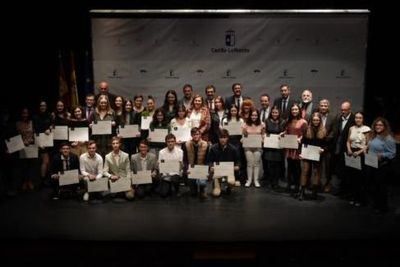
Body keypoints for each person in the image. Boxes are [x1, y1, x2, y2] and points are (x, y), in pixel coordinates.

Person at [366, 117, 396, 214]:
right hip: (372, 164)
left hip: (382, 167)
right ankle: (376, 204)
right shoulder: (374, 135)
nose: (378, 127)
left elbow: (392, 153)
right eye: (376, 125)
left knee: (381, 187)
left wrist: (382, 155)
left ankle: (382, 207)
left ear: (384, 126)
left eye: (380, 125)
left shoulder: (388, 138)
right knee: (373, 186)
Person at [298, 112, 327, 200]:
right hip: (307, 154)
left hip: (317, 155)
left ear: (320, 120)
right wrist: (301, 153)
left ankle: (314, 192)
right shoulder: (307, 129)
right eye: (314, 120)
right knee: (305, 172)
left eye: (317, 120)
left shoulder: (324, 130)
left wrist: (323, 150)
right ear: (311, 120)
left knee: (316, 173)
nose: (316, 121)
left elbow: (326, 144)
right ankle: (302, 192)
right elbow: (302, 142)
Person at [345, 111, 370, 206]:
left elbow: (368, 144)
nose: (358, 119)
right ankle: (353, 197)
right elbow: (348, 141)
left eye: (360, 118)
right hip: (351, 153)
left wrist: (358, 152)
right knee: (352, 177)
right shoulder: (351, 128)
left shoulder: (367, 129)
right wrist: (349, 149)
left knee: (360, 178)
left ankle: (360, 199)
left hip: (361, 154)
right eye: (356, 117)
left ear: (363, 119)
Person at [332, 100, 355, 197]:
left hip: (348, 149)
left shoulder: (354, 120)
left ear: (349, 110)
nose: (343, 112)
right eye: (342, 110)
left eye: (345, 110)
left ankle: (347, 192)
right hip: (337, 149)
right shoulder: (338, 118)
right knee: (339, 171)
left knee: (348, 172)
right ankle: (340, 190)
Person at [208, 129, 240, 197]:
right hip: (218, 172)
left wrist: (237, 166)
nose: (223, 139)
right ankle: (216, 186)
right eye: (221, 137)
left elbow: (238, 161)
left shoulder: (233, 149)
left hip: (229, 171)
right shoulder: (213, 148)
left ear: (227, 138)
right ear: (218, 138)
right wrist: (211, 166)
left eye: (224, 137)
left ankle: (229, 187)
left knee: (231, 182)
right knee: (216, 194)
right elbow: (210, 160)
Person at [182, 127, 210, 199]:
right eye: (194, 134)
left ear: (200, 135)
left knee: (202, 183)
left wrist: (207, 170)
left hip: (201, 168)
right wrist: (186, 169)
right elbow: (185, 160)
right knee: (193, 194)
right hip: (191, 169)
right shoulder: (186, 144)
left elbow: (207, 160)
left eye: (197, 134)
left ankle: (202, 189)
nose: (196, 136)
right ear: (191, 135)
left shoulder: (206, 144)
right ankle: (193, 188)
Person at [103, 136, 134, 200]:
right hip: (114, 180)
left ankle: (123, 191)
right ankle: (117, 191)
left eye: (117, 143)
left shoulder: (126, 155)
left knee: (130, 196)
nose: (115, 145)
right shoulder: (107, 156)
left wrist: (127, 182)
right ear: (111, 145)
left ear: (120, 144)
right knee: (107, 196)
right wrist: (111, 176)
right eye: (113, 143)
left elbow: (128, 171)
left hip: (123, 179)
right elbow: (104, 171)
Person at [263, 106, 286, 190]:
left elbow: (285, 132)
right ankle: (271, 181)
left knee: (277, 166)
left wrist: (283, 134)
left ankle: (276, 182)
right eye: (273, 112)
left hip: (278, 146)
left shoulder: (283, 122)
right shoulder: (267, 121)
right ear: (271, 113)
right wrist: (264, 134)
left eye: (276, 112)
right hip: (269, 146)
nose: (274, 114)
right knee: (269, 165)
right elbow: (264, 132)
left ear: (279, 113)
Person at [242, 109, 265, 188]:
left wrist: (263, 140)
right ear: (250, 116)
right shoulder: (245, 124)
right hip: (248, 147)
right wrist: (242, 140)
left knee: (256, 163)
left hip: (258, 147)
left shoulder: (262, 124)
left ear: (258, 116)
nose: (254, 117)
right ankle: (249, 180)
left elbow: (263, 135)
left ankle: (256, 180)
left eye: (255, 115)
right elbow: (244, 136)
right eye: (252, 115)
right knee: (249, 163)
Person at [318, 99, 336, 193]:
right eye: (322, 105)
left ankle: (328, 183)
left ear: (328, 107)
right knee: (317, 166)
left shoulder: (333, 117)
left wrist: (325, 138)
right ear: (319, 106)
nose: (323, 107)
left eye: (325, 105)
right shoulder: (315, 116)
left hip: (328, 146)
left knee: (328, 167)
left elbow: (334, 131)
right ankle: (318, 183)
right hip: (317, 145)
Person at [158, 134, 183, 198]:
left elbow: (180, 165)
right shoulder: (161, 152)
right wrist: (164, 175)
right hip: (165, 175)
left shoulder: (180, 151)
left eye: (172, 141)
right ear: (166, 142)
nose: (170, 143)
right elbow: (160, 165)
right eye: (168, 142)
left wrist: (180, 171)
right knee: (163, 194)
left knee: (175, 179)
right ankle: (168, 186)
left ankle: (177, 190)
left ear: (175, 142)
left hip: (175, 174)